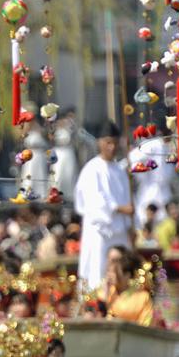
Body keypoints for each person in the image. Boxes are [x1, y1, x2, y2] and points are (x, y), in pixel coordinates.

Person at [74, 120, 133, 290]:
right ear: (100, 143)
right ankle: (96, 299)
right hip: (100, 229)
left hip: (120, 229)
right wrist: (119, 208)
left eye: (115, 143)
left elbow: (127, 198)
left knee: (122, 265)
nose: (112, 147)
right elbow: (93, 200)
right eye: (108, 143)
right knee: (99, 268)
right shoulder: (92, 169)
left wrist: (130, 225)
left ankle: (121, 296)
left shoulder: (120, 170)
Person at [129, 134, 172, 229]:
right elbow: (132, 158)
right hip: (149, 190)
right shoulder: (151, 145)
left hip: (164, 193)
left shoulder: (169, 147)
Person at [106, 250, 155, 326]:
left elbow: (146, 324)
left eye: (116, 272)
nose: (110, 276)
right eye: (109, 271)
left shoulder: (143, 297)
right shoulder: (108, 292)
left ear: (127, 275)